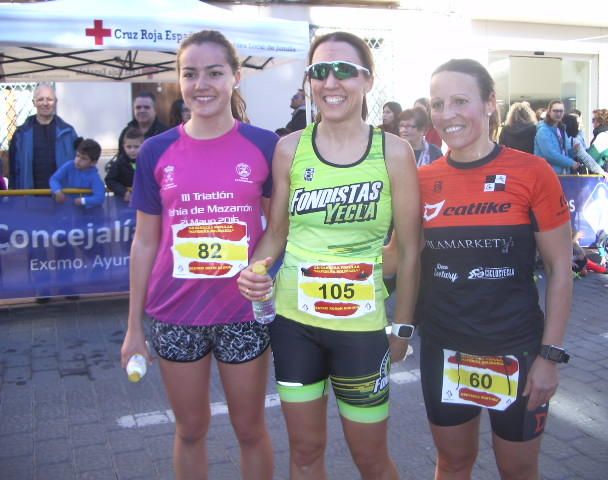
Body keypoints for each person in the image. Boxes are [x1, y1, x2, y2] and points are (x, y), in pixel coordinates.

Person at [237, 31, 421, 479]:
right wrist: (254, 269)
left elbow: (413, 250)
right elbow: (276, 234)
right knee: (304, 453)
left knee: (371, 459)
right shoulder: (289, 148)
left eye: (344, 70)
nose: (331, 82)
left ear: (368, 81)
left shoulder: (395, 152)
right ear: (309, 82)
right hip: (294, 325)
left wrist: (402, 327)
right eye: (319, 71)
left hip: (360, 330)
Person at [120, 30, 277, 480]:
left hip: (243, 313)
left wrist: (266, 274)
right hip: (174, 312)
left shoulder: (265, 146)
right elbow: (145, 242)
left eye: (214, 72)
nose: (201, 84)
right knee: (190, 430)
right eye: (190, 74)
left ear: (236, 77)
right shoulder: (155, 150)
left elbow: (278, 232)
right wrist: (134, 328)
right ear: (179, 80)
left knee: (250, 430)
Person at [417, 58, 572, 479]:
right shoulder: (422, 180)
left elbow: (561, 269)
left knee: (517, 471)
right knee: (452, 464)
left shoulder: (533, 172)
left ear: (489, 103)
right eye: (437, 103)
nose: (447, 114)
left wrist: (549, 357)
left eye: (460, 101)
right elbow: (402, 255)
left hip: (517, 350)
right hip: (444, 348)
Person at [9, 83, 78, 189]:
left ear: (55, 102)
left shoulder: (68, 133)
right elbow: (13, 172)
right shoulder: (21, 134)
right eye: (40, 99)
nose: (45, 103)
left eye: (49, 99)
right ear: (34, 102)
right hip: (30, 199)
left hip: (62, 199)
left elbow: (78, 168)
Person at [49, 138, 105, 208]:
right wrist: (57, 191)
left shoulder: (94, 177)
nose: (78, 160)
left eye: (84, 158)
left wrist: (83, 200)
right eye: (77, 156)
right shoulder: (69, 165)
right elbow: (54, 179)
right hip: (65, 208)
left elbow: (100, 198)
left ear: (93, 163)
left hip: (85, 212)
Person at [534, 100, 580, 174]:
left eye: (561, 111)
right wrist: (571, 163)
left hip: (562, 174)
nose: (558, 114)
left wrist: (573, 151)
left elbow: (564, 153)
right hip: (547, 175)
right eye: (555, 111)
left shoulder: (561, 129)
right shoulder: (543, 131)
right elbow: (549, 154)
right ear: (549, 112)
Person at [117, 91, 168, 156]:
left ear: (155, 110)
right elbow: (121, 157)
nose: (142, 110)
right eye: (138, 107)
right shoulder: (126, 132)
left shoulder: (165, 133)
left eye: (146, 107)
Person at [562, 114, 608, 178]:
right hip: (566, 175)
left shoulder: (573, 141)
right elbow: (586, 158)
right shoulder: (574, 141)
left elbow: (585, 157)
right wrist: (600, 171)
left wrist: (600, 171)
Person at [105, 127, 144, 202]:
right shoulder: (119, 163)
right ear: (124, 146)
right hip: (123, 202)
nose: (132, 150)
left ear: (143, 145)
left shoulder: (147, 162)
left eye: (136, 147)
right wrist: (123, 192)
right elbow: (109, 180)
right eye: (129, 147)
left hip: (144, 202)